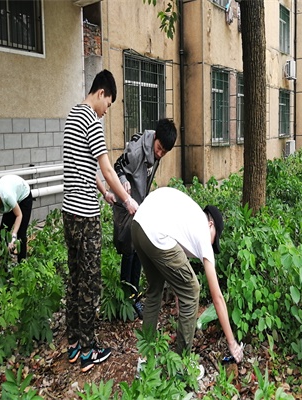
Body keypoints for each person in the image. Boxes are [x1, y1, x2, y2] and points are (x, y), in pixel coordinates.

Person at [62, 69, 139, 373]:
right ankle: (88, 350)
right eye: (108, 104)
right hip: (85, 215)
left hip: (69, 212)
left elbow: (84, 165)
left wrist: (105, 192)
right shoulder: (92, 121)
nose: (106, 111)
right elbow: (106, 168)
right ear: (102, 93)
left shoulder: (73, 116)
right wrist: (126, 200)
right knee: (90, 283)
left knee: (75, 279)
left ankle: (73, 344)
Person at [131, 187, 244, 363]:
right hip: (155, 233)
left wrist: (179, 302)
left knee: (154, 290)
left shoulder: (189, 218)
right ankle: (182, 364)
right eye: (214, 238)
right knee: (192, 291)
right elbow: (217, 298)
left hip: (138, 225)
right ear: (211, 224)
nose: (211, 244)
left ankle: (145, 358)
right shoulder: (202, 231)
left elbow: (176, 268)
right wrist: (232, 343)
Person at [113, 118, 177, 319]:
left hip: (139, 204)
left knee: (139, 250)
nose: (160, 154)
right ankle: (125, 300)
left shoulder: (155, 149)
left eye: (164, 152)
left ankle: (135, 298)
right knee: (129, 251)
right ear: (154, 137)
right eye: (159, 149)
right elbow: (116, 166)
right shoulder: (136, 151)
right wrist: (123, 181)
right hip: (125, 204)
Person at [0, 174, 33, 270]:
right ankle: (3, 266)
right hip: (10, 201)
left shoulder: (7, 196)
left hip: (24, 196)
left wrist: (13, 235)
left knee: (21, 234)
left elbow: (19, 215)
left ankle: (22, 266)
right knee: (2, 234)